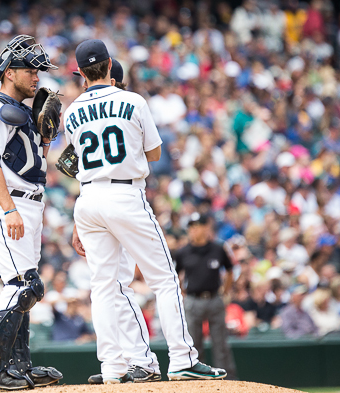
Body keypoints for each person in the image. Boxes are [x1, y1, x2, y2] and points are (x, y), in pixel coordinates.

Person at [65, 39, 225, 384]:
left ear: (80, 73)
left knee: (103, 287)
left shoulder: (71, 111)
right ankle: (182, 359)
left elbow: (73, 162)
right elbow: (153, 154)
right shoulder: (132, 100)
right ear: (109, 65)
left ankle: (112, 367)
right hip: (124, 194)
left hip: (88, 199)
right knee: (164, 280)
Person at [0, 35, 63, 390]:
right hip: (7, 203)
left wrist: (47, 138)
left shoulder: (22, 110)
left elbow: (31, 161)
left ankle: (17, 365)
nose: (37, 76)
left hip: (30, 202)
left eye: (39, 70)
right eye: (30, 69)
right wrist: (8, 209)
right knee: (25, 286)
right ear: (9, 72)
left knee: (24, 288)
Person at [73, 59, 162, 384]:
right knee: (116, 288)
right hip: (117, 200)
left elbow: (73, 166)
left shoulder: (94, 108)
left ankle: (132, 361)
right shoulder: (128, 107)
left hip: (102, 201)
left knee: (112, 288)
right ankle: (132, 361)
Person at [174, 212, 237, 379]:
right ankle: (197, 380)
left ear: (205, 227)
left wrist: (225, 291)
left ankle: (228, 380)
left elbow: (230, 270)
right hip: (193, 299)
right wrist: (183, 292)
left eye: (197, 226)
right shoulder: (183, 252)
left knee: (221, 344)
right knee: (194, 344)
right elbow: (175, 274)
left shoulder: (218, 248)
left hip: (215, 298)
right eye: (191, 227)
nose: (193, 230)